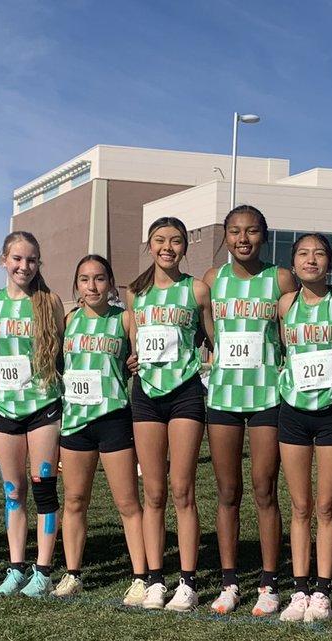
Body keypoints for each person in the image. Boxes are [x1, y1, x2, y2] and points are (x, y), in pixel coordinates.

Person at [203, 206, 294, 616]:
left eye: (252, 231)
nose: (243, 238)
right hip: (223, 395)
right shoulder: (211, 281)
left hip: (266, 397)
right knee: (227, 491)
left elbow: (292, 334)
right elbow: (207, 332)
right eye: (235, 231)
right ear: (225, 236)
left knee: (264, 488)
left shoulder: (280, 279)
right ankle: (229, 581)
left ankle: (269, 582)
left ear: (264, 236)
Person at [129, 216, 214, 612]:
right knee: (154, 491)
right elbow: (134, 344)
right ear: (149, 245)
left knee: (182, 489)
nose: (167, 247)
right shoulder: (134, 293)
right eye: (160, 240)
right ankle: (154, 579)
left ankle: (187, 581)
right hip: (146, 396)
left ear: (185, 247)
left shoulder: (196, 290)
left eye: (176, 241)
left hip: (185, 395)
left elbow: (214, 338)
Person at [55, 254, 146, 605]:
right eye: (84, 279)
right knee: (75, 500)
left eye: (99, 279)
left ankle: (140, 577)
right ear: (76, 285)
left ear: (110, 283)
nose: (92, 286)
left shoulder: (124, 320)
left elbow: (140, 356)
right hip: (76, 422)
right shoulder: (69, 321)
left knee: (127, 502)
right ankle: (73, 573)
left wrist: (136, 360)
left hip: (113, 418)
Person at [276, 234, 332, 624]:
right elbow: (281, 351)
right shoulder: (285, 304)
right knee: (300, 506)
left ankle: (322, 591)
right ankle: (299, 589)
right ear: (294, 263)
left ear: (330, 262)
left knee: (325, 505)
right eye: (304, 254)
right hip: (292, 411)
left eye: (320, 253)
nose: (312, 260)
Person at [0, 231, 65, 597]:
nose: (24, 266)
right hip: (3, 407)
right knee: (13, 491)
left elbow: (65, 357)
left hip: (43, 407)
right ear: (4, 259)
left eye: (32, 260)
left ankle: (44, 570)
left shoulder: (50, 303)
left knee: (43, 487)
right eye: (17, 259)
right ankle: (16, 567)